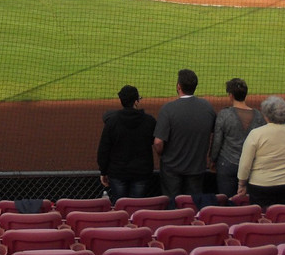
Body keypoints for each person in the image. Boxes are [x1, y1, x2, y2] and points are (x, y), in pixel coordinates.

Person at [154, 69, 216, 199]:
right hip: (197, 167)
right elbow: (214, 134)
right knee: (193, 206)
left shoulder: (168, 109)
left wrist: (161, 154)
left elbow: (158, 142)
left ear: (178, 86)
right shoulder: (207, 107)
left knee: (172, 205)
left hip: (171, 169)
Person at [237, 96, 285, 209]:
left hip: (262, 186)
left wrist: (242, 184)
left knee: (262, 220)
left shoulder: (256, 133)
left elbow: (245, 164)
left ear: (266, 115)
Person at [98, 85, 156, 202]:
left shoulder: (112, 122)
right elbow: (157, 143)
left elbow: (104, 149)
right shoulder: (149, 121)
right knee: (137, 207)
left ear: (121, 101)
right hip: (141, 172)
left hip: (118, 173)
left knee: (121, 207)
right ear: (136, 101)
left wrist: (103, 171)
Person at [209, 78, 265, 198]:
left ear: (231, 95)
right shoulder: (259, 116)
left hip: (227, 164)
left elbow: (217, 141)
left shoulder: (224, 114)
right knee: (247, 202)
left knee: (226, 201)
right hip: (250, 166)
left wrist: (213, 160)